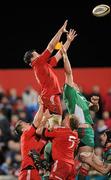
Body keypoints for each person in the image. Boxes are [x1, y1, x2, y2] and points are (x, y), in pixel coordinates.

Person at [61, 46, 100, 179]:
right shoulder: (70, 92)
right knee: (78, 163)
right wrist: (65, 55)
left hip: (87, 131)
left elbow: (94, 109)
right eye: (72, 83)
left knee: (83, 165)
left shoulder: (81, 97)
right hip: (81, 131)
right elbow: (68, 73)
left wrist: (95, 104)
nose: (75, 83)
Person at [23, 20, 77, 115]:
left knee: (51, 122)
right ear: (32, 58)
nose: (39, 54)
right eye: (37, 54)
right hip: (50, 95)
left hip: (49, 96)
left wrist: (68, 41)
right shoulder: (38, 62)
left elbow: (59, 54)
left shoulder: (42, 64)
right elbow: (51, 46)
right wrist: (61, 31)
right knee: (56, 121)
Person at [15, 97, 47, 180]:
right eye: (25, 123)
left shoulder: (35, 138)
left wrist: (46, 116)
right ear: (23, 129)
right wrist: (41, 105)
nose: (28, 123)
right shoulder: (25, 135)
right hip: (28, 171)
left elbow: (41, 125)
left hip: (34, 172)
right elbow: (36, 122)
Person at [44, 113, 79, 180]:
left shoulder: (61, 131)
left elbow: (46, 133)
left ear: (68, 122)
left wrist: (47, 122)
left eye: (65, 118)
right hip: (71, 166)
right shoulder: (75, 135)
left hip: (61, 163)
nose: (63, 119)